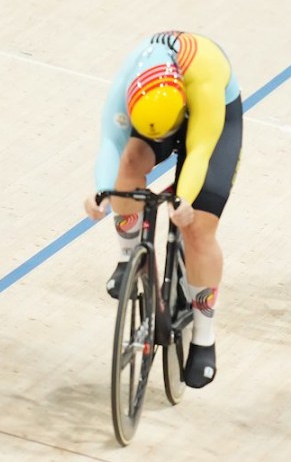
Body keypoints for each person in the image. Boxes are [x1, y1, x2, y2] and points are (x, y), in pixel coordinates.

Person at [84, 31, 242, 389]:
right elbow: (110, 141)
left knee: (198, 227)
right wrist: (101, 194)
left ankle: (204, 335)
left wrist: (184, 198)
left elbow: (200, 150)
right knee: (129, 161)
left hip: (211, 120)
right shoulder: (128, 82)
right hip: (155, 111)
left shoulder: (204, 78)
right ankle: (129, 258)